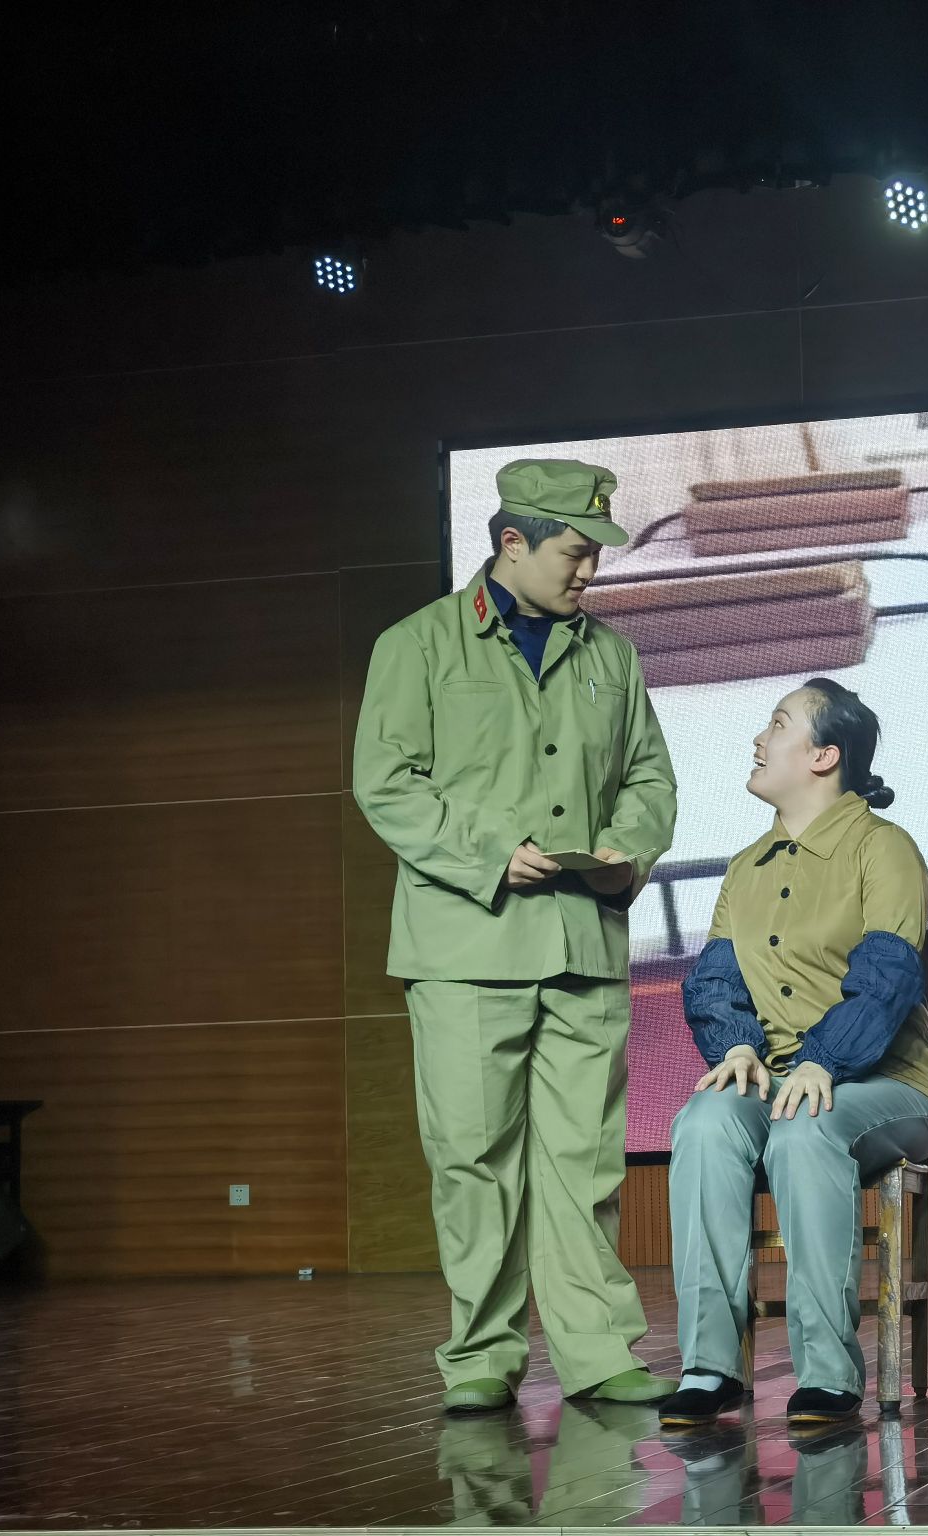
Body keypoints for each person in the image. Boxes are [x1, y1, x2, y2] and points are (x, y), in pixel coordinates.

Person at [353, 458, 678, 1412]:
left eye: (596, 554)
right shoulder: (415, 646)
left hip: (583, 942)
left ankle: (598, 1353)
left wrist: (627, 847)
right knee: (473, 1158)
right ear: (511, 542)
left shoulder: (612, 656)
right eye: (575, 552)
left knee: (584, 1161)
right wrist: (494, 852)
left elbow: (650, 778)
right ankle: (482, 1356)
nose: (590, 571)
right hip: (467, 948)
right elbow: (387, 784)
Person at [659, 678, 928, 1429]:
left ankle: (827, 1373)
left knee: (804, 1127)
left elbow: (887, 977)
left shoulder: (884, 848)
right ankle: (708, 1367)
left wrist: (823, 1058)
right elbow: (715, 980)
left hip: (888, 1086)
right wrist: (738, 1047)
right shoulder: (745, 868)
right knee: (704, 1122)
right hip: (783, 1080)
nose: (759, 739)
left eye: (778, 725)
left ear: (824, 756)